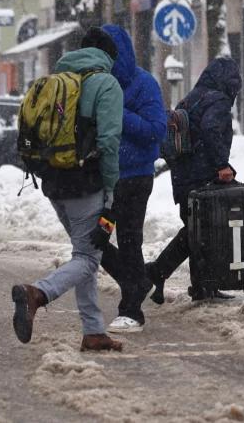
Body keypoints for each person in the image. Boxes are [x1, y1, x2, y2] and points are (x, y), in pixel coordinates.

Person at [12, 27, 124, 352]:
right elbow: (108, 142)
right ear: (108, 57)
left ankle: (93, 330)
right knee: (89, 258)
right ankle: (39, 293)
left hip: (54, 181)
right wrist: (112, 189)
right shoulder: (106, 84)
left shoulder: (56, 80)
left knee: (83, 252)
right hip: (86, 183)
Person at [147, 57, 242, 303]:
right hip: (200, 177)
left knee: (196, 232)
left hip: (183, 175)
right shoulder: (218, 100)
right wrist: (221, 164)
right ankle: (162, 272)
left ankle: (198, 285)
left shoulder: (191, 98)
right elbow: (211, 129)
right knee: (202, 232)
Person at [98, 25, 167, 333]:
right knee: (94, 239)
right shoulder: (96, 84)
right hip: (106, 180)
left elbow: (156, 130)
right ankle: (138, 282)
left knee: (128, 240)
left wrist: (117, 113)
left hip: (136, 178)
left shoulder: (144, 84)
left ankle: (131, 311)